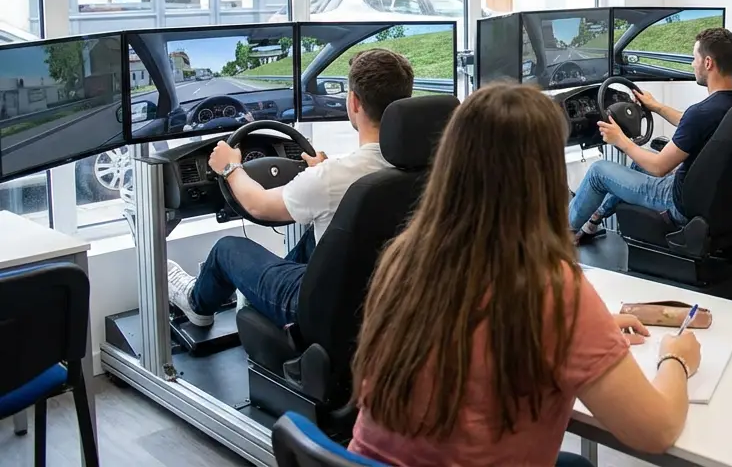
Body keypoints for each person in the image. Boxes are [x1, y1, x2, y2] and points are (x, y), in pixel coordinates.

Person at [348, 82, 701, 465]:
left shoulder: (402, 258)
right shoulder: (551, 293)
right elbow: (657, 430)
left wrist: (589, 333)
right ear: (544, 178)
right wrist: (676, 358)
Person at [166, 48, 414, 329]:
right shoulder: (426, 166)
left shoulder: (332, 178)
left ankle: (196, 303)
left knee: (226, 250)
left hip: (322, 308)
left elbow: (258, 204)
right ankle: (258, 292)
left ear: (354, 102)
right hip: (385, 298)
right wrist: (320, 174)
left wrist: (230, 168)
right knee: (318, 234)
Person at [569, 27, 732, 242]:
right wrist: (657, 107)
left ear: (707, 63)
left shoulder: (701, 113)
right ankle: (593, 220)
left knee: (599, 171)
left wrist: (620, 140)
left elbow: (659, 167)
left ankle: (558, 237)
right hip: (720, 200)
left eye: (694, 58)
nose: (692, 64)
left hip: (679, 202)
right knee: (637, 164)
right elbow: (694, 124)